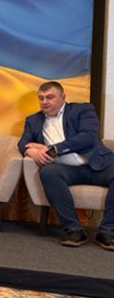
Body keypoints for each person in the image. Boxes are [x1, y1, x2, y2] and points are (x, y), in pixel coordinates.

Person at [18, 81, 114, 250]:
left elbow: (88, 137)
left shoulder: (82, 110)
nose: (44, 102)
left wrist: (53, 149)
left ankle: (107, 232)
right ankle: (74, 230)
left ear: (63, 97)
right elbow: (22, 143)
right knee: (48, 173)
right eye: (41, 98)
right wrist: (31, 151)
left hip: (96, 165)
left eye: (50, 97)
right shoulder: (33, 120)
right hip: (66, 170)